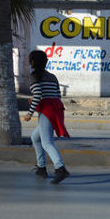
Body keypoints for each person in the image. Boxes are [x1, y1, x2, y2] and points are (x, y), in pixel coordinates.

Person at [23, 50, 71, 184]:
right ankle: (41, 167)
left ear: (32, 62)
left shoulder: (34, 76)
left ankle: (60, 168)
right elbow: (57, 95)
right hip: (56, 108)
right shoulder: (52, 76)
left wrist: (30, 113)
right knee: (35, 137)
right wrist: (38, 101)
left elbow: (38, 95)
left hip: (46, 111)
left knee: (47, 142)